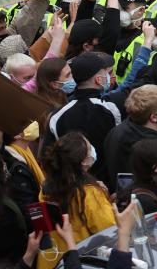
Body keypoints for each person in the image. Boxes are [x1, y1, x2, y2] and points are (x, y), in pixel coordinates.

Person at [39, 131, 115, 269]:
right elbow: (110, 230)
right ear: (84, 161)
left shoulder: (46, 189)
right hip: (85, 261)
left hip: (56, 261)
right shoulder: (88, 193)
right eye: (89, 147)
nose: (92, 149)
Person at [47, 52, 121, 182]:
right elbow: (115, 149)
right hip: (104, 184)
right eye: (106, 73)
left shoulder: (57, 115)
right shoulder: (109, 109)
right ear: (98, 79)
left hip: (68, 184)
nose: (109, 77)